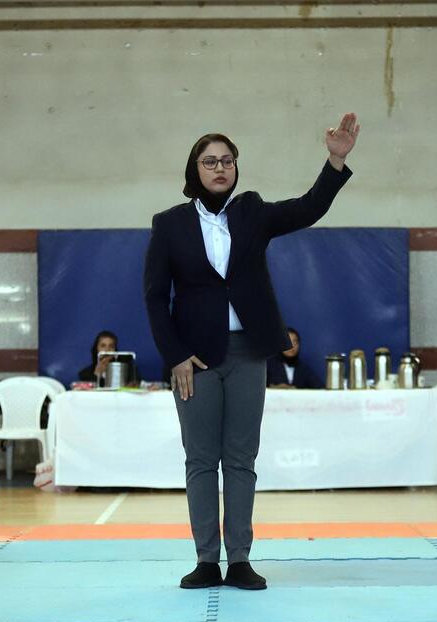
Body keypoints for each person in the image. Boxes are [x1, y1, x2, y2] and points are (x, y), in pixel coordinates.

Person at [144, 114, 359, 590]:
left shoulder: (252, 212)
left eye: (227, 160)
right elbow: (155, 298)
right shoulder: (170, 224)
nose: (220, 168)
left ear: (236, 167)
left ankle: (239, 558)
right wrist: (175, 355)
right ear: (194, 170)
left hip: (248, 354)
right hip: (194, 359)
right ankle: (207, 560)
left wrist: (335, 161)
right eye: (210, 161)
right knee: (201, 461)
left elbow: (308, 208)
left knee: (241, 460)